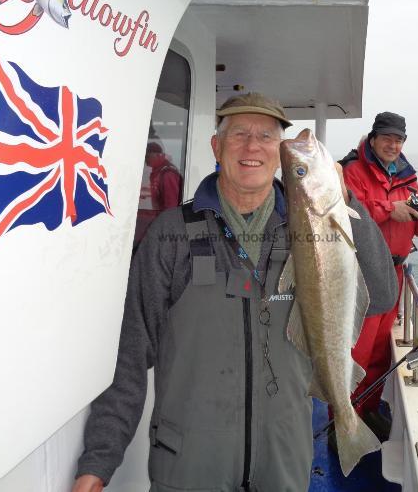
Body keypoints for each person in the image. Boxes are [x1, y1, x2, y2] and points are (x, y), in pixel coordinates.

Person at [72, 93, 399, 492]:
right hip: (188, 465)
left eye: (265, 135)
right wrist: (100, 460)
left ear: (280, 153)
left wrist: (347, 206)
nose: (251, 146)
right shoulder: (170, 235)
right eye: (238, 133)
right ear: (216, 146)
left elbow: (382, 295)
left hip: (284, 460)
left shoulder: (315, 228)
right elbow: (129, 354)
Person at [339, 111, 418, 438]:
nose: (393, 145)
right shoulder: (352, 171)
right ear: (373, 138)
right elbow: (345, 212)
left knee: (381, 352)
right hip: (363, 272)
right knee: (357, 352)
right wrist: (386, 209)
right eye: (387, 138)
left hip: (394, 273)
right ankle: (340, 420)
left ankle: (366, 409)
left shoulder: (408, 178)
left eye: (399, 140)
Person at [133, 140, 184, 249]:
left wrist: (164, 233)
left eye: (147, 156)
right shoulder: (159, 171)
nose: (145, 160)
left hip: (165, 229)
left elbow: (171, 208)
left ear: (156, 155)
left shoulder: (167, 174)